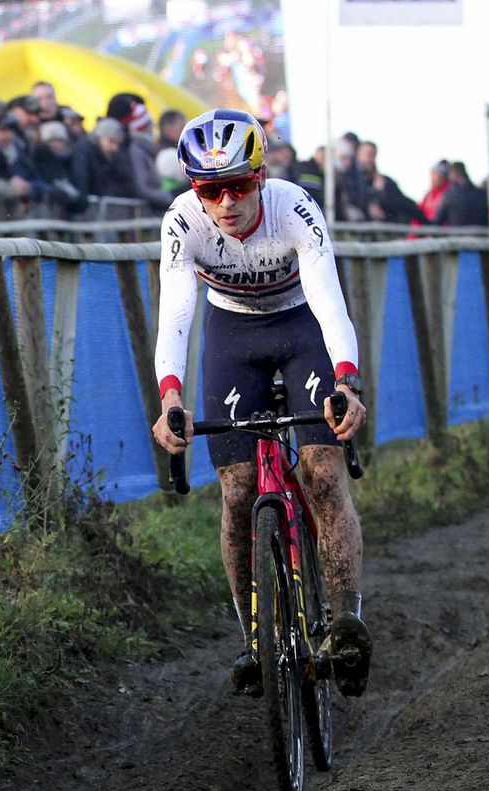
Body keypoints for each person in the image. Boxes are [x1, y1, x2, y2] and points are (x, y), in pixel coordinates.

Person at [150, 108, 373, 699]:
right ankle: (256, 636)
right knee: (238, 490)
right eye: (209, 189)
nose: (226, 203)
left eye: (238, 186)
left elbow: (329, 300)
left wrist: (347, 383)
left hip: (302, 330)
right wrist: (171, 395)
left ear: (261, 175)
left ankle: (347, 620)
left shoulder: (294, 206)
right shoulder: (182, 223)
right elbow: (176, 314)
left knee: (323, 475)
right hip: (235, 340)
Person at [431, 161, 489, 227]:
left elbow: (437, 222)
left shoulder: (450, 195)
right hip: (481, 235)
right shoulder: (482, 194)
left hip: (457, 236)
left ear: (454, 174)